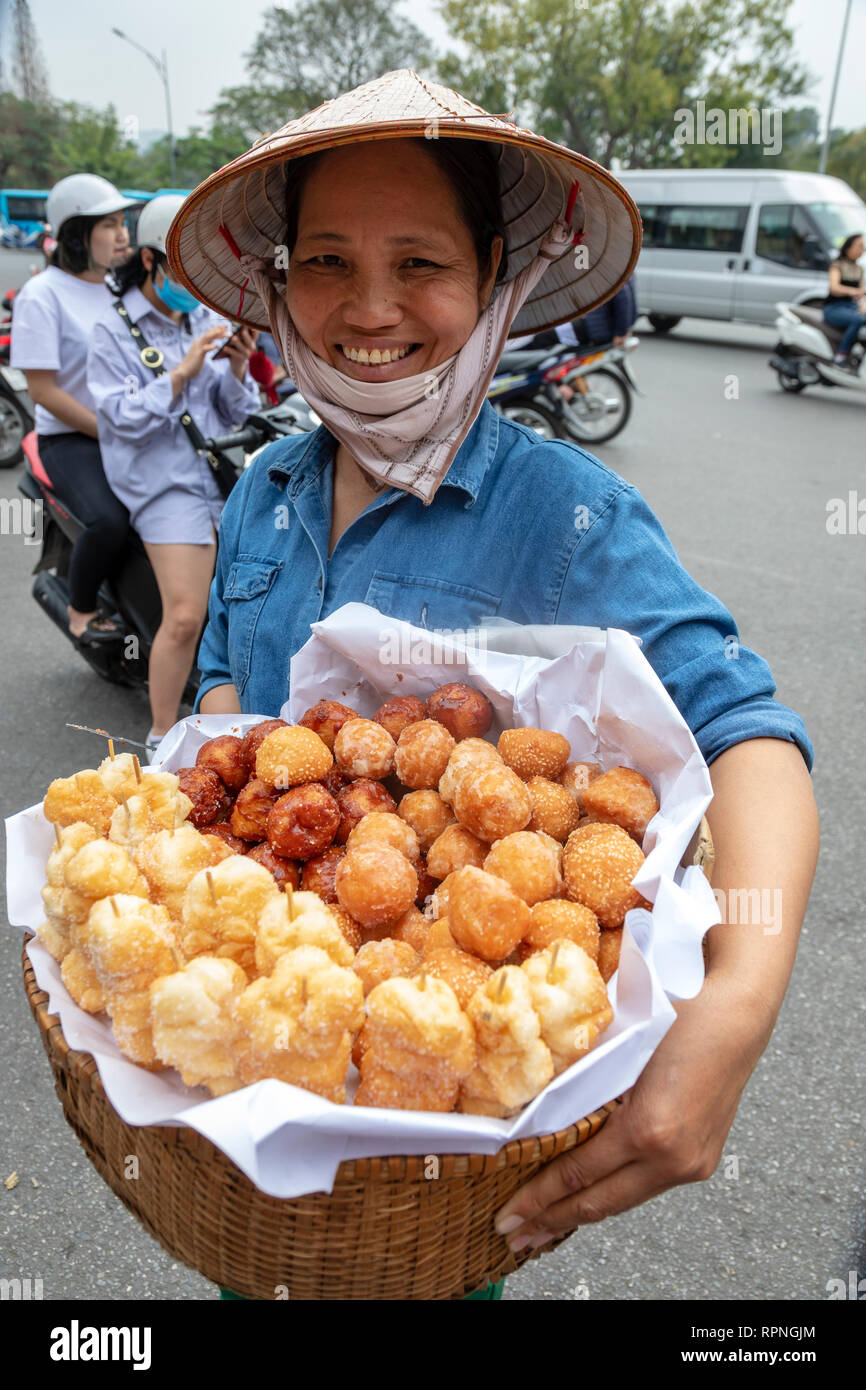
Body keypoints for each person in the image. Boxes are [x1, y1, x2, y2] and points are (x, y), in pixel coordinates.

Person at [166, 69, 818, 1297]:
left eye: (419, 263)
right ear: (276, 282)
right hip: (250, 1107)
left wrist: (739, 1000)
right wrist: (213, 763)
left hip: (443, 1153)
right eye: (323, 261)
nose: (367, 309)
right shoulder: (261, 492)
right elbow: (221, 691)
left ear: (494, 280)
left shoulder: (566, 514)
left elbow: (748, 738)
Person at [86, 195, 260, 757]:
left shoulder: (206, 317)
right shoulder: (112, 331)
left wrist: (235, 367)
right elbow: (119, 420)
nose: (192, 284)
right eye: (180, 270)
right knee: (185, 616)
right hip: (162, 483)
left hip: (219, 476)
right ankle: (161, 737)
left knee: (244, 604)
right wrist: (181, 374)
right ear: (149, 261)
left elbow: (233, 412)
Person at [11, 174, 137, 642]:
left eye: (123, 222)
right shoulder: (43, 295)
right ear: (75, 235)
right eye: (108, 224)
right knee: (109, 520)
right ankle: (81, 608)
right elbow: (43, 392)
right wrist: (111, 432)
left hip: (130, 427)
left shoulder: (120, 287)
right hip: (70, 437)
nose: (122, 234)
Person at [822, 232, 865, 368]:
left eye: (863, 247)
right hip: (833, 307)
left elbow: (862, 293)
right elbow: (834, 288)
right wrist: (853, 291)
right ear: (848, 247)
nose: (862, 250)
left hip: (850, 307)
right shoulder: (837, 265)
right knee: (858, 320)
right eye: (859, 246)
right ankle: (841, 354)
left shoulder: (859, 269)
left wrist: (863, 305)